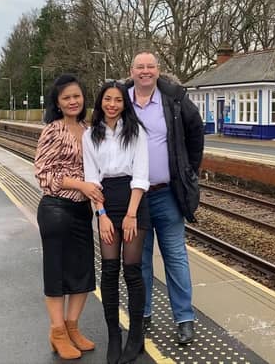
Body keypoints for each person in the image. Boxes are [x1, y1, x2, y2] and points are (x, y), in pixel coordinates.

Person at [127, 52, 204, 345]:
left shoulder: (174, 99)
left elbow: (196, 133)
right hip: (136, 198)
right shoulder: (120, 100)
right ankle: (143, 315)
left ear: (158, 71)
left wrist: (189, 172)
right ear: (131, 71)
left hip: (167, 194)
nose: (145, 71)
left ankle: (184, 318)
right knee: (140, 260)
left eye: (150, 66)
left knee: (175, 258)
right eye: (140, 67)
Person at [34, 74, 105, 360]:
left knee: (83, 271)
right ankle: (57, 331)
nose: (73, 101)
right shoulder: (53, 130)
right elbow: (43, 173)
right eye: (66, 98)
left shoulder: (90, 130)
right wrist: (81, 185)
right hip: (56, 209)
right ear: (58, 103)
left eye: (76, 96)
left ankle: (72, 327)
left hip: (81, 211)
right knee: (57, 272)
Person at [82, 81, 150, 364]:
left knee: (132, 272)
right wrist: (102, 215)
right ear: (100, 103)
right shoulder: (90, 135)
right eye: (107, 99)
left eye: (118, 100)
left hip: (134, 200)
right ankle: (114, 335)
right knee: (109, 271)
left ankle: (136, 337)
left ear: (125, 104)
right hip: (106, 201)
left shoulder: (136, 132)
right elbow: (91, 178)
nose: (112, 104)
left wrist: (132, 214)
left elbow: (141, 174)